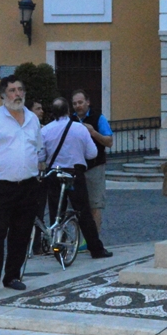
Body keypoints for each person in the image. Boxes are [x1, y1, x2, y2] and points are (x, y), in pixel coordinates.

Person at [0, 75, 44, 297]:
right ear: (3, 95)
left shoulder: (33, 119)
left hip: (28, 186)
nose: (17, 94)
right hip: (1, 187)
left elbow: (37, 148)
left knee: (21, 234)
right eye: (12, 90)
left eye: (20, 89)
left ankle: (12, 276)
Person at [41, 97, 113, 259]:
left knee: (56, 212)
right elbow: (92, 153)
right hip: (74, 174)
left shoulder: (45, 131)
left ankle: (59, 247)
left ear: (52, 113)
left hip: (54, 174)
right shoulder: (80, 129)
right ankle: (96, 249)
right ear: (68, 111)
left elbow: (40, 155)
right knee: (83, 212)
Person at [71, 89, 113, 232]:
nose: (78, 106)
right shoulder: (70, 121)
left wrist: (93, 133)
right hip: (75, 168)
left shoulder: (98, 118)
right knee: (76, 206)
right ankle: (79, 241)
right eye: (75, 103)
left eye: (81, 102)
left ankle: (94, 241)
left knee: (95, 204)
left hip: (95, 167)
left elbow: (109, 141)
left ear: (87, 102)